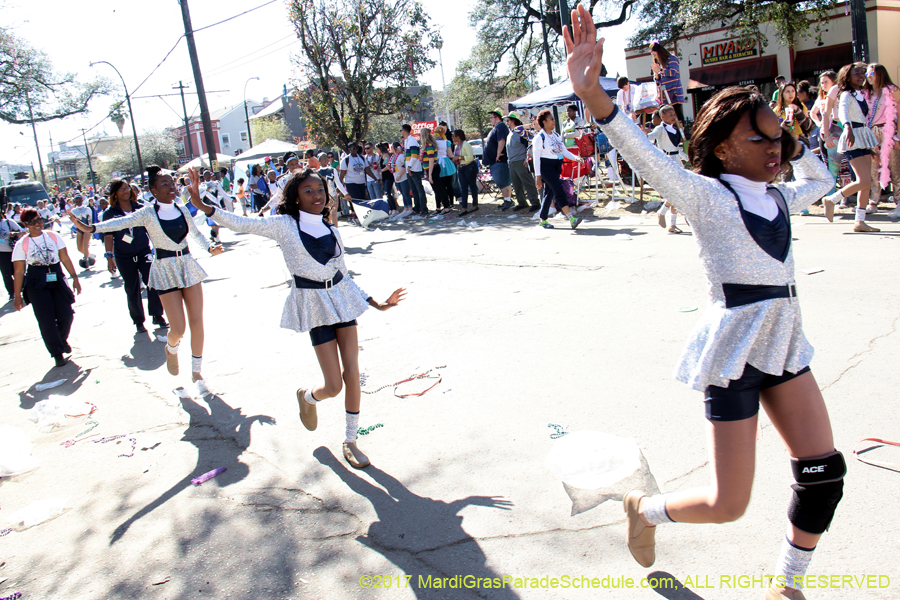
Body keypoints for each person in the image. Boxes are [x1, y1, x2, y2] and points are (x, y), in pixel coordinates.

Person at [566, 11, 841, 600]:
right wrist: (594, 95)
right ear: (721, 148)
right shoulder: (706, 195)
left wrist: (799, 130)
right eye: (757, 138)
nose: (773, 148)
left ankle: (787, 585)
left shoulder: (782, 194)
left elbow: (818, 177)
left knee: (823, 476)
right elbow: (646, 157)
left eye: (776, 138)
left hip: (786, 346)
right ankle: (647, 509)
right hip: (735, 353)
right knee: (726, 504)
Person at [186, 166, 405, 469]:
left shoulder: (333, 230)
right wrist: (203, 206)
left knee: (352, 372)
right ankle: (309, 397)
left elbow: (343, 275)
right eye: (308, 191)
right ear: (296, 198)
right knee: (333, 386)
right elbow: (242, 223)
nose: (317, 196)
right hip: (314, 305)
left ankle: (351, 440)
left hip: (342, 301)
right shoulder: (284, 225)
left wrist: (377, 303)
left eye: (320, 190)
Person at [68, 166, 223, 387]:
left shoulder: (181, 209)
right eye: (164, 185)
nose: (171, 187)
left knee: (197, 321)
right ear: (153, 190)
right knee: (178, 328)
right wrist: (90, 227)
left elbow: (196, 234)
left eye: (172, 183)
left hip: (187, 265)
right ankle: (171, 348)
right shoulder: (148, 213)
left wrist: (210, 248)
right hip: (164, 268)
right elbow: (119, 223)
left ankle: (196, 371)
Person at [12, 208, 82, 367]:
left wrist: (75, 278)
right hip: (36, 280)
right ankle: (57, 353)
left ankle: (61, 339)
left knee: (66, 314)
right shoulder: (22, 244)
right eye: (31, 222)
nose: (37, 224)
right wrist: (17, 296)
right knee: (46, 320)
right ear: (25, 224)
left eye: (39, 219)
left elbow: (64, 257)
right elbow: (19, 270)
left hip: (56, 275)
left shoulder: (53, 236)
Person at [102, 179, 167, 333]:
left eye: (127, 188)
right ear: (115, 193)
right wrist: (109, 256)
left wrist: (158, 248)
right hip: (123, 255)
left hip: (143, 251)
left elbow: (151, 230)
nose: (126, 191)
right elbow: (108, 236)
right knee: (132, 288)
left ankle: (157, 315)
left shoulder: (140, 209)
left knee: (153, 282)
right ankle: (138, 321)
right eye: (122, 189)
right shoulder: (110, 213)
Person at [822, 63, 881, 232]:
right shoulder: (846, 94)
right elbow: (843, 112)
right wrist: (847, 127)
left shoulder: (860, 94)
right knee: (864, 180)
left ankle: (860, 221)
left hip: (863, 136)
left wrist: (872, 147)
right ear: (847, 76)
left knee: (866, 182)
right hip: (852, 136)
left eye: (863, 73)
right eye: (857, 73)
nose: (861, 75)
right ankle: (831, 200)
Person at [533, 109, 585, 230]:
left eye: (553, 119)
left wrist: (576, 158)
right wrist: (538, 177)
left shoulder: (556, 136)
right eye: (551, 119)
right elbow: (536, 158)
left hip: (556, 165)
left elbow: (564, 151)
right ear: (544, 122)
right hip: (545, 167)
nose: (553, 121)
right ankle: (571, 218)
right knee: (558, 190)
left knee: (549, 192)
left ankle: (542, 219)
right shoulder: (539, 137)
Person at [863, 63, 900, 212]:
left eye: (871, 73)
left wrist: (898, 136)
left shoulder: (892, 90)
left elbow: (899, 112)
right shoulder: (867, 93)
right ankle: (873, 201)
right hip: (871, 131)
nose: (868, 77)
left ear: (880, 74)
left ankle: (898, 199)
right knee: (873, 168)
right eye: (867, 74)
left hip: (888, 130)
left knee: (894, 166)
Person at [648, 105, 689, 233]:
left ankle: (672, 224)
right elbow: (651, 136)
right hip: (667, 162)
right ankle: (662, 212)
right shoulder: (660, 129)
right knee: (675, 192)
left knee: (679, 192)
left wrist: (688, 158)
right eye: (670, 115)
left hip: (677, 161)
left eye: (674, 114)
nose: (673, 117)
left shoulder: (676, 130)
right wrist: (643, 133)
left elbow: (677, 149)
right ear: (663, 116)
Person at [504, 112, 540, 211]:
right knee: (516, 184)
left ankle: (535, 202)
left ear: (513, 120)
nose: (507, 122)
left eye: (508, 120)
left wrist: (526, 158)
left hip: (521, 161)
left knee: (528, 182)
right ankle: (522, 202)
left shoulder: (520, 133)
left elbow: (529, 145)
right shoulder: (510, 132)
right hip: (512, 162)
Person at [483, 109, 514, 210]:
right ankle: (507, 200)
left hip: (499, 160)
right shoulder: (496, 128)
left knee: (502, 180)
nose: (490, 119)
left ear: (497, 117)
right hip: (494, 161)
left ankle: (508, 200)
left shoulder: (500, 126)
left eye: (491, 117)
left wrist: (498, 153)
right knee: (501, 180)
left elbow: (501, 140)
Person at [650, 42, 686, 126]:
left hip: (674, 91)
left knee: (676, 112)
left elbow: (674, 72)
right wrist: (656, 75)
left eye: (655, 55)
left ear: (660, 52)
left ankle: (681, 131)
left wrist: (661, 70)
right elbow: (659, 82)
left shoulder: (672, 58)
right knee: (665, 113)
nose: (654, 57)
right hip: (665, 94)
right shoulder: (659, 63)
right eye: (653, 56)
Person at [452, 130, 480, 216]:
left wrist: (458, 158)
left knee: (472, 186)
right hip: (461, 167)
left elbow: (470, 157)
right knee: (463, 188)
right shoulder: (457, 146)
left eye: (454, 136)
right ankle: (464, 208)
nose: (452, 137)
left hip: (469, 167)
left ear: (458, 136)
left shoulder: (466, 145)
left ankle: (475, 205)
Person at [401, 124, 427, 213]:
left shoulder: (412, 141)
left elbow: (415, 156)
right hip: (410, 169)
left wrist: (409, 166)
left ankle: (424, 208)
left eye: (401, 130)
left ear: (404, 131)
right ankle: (417, 207)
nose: (401, 132)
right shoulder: (406, 141)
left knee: (419, 189)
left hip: (414, 169)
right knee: (414, 190)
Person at [432, 126, 456, 214]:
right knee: (449, 184)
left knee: (440, 186)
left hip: (436, 163)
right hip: (446, 163)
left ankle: (441, 204)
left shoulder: (433, 142)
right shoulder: (447, 142)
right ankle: (450, 202)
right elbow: (450, 155)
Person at [0, 212, 24, 302]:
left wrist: (14, 234)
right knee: (6, 274)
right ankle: (11, 292)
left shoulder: (8, 222)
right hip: (1, 253)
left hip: (13, 251)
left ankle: (22, 288)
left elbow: (20, 231)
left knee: (17, 271)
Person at [69, 195, 93, 269]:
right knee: (79, 248)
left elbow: (91, 219)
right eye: (77, 201)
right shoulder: (73, 211)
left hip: (87, 228)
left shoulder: (87, 209)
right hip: (79, 229)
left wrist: (91, 228)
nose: (78, 202)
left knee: (85, 246)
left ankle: (86, 261)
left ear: (82, 200)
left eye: (80, 201)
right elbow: (70, 221)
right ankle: (90, 256)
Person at [391, 141, 413, 219]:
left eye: (392, 147)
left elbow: (404, 166)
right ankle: (406, 208)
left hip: (403, 177)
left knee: (406, 193)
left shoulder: (401, 156)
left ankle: (410, 207)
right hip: (396, 178)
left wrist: (400, 175)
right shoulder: (393, 157)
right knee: (402, 193)